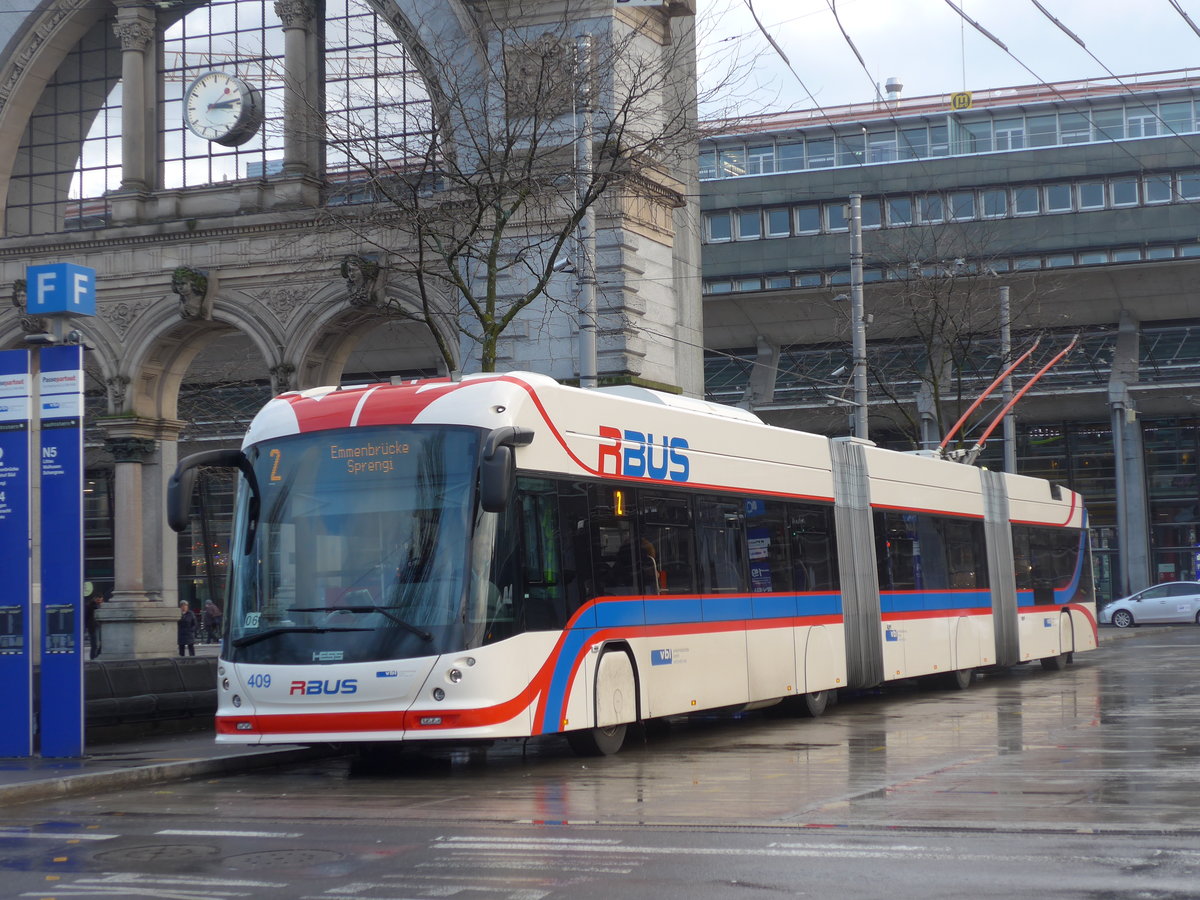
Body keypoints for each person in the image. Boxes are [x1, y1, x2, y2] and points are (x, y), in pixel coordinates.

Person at [83, 582, 102, 659]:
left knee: (100, 644)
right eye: (98, 600)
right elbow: (86, 617)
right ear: (94, 599)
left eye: (100, 600)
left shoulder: (100, 606)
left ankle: (97, 656)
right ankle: (93, 658)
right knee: (95, 644)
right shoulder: (90, 606)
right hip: (93, 627)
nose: (99, 602)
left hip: (99, 626)